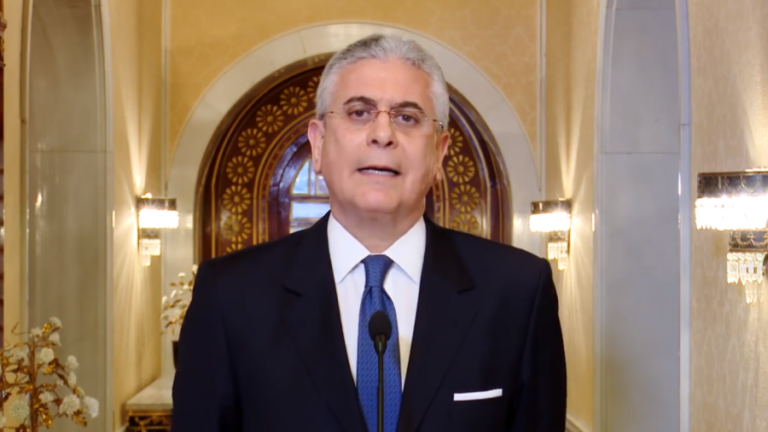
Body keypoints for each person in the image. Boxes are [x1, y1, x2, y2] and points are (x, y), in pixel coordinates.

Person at [172, 33, 566, 432]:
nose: (382, 134)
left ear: (439, 153)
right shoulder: (230, 295)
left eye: (407, 117)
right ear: (318, 144)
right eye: (359, 112)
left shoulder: (517, 292)